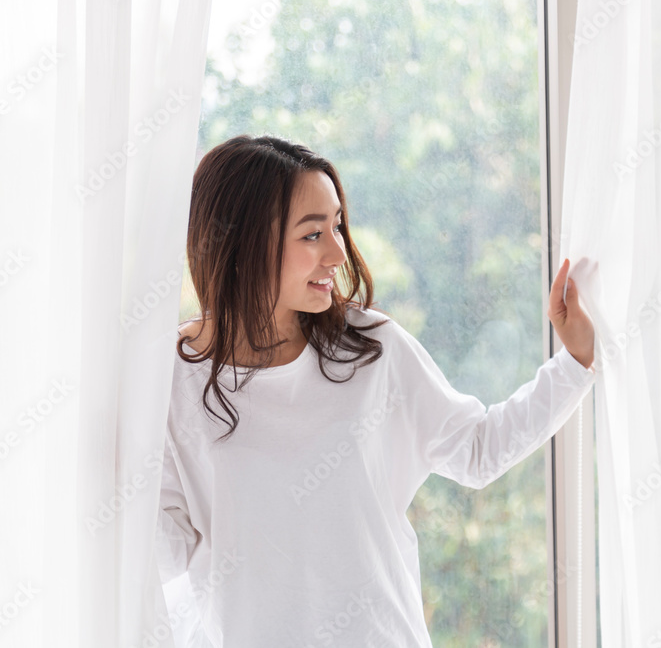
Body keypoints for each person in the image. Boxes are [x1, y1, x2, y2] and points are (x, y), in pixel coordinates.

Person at [155, 134, 596, 647]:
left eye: (337, 225)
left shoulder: (368, 349)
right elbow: (164, 548)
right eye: (312, 234)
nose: (338, 252)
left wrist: (574, 363)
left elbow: (478, 450)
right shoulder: (170, 378)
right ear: (245, 243)